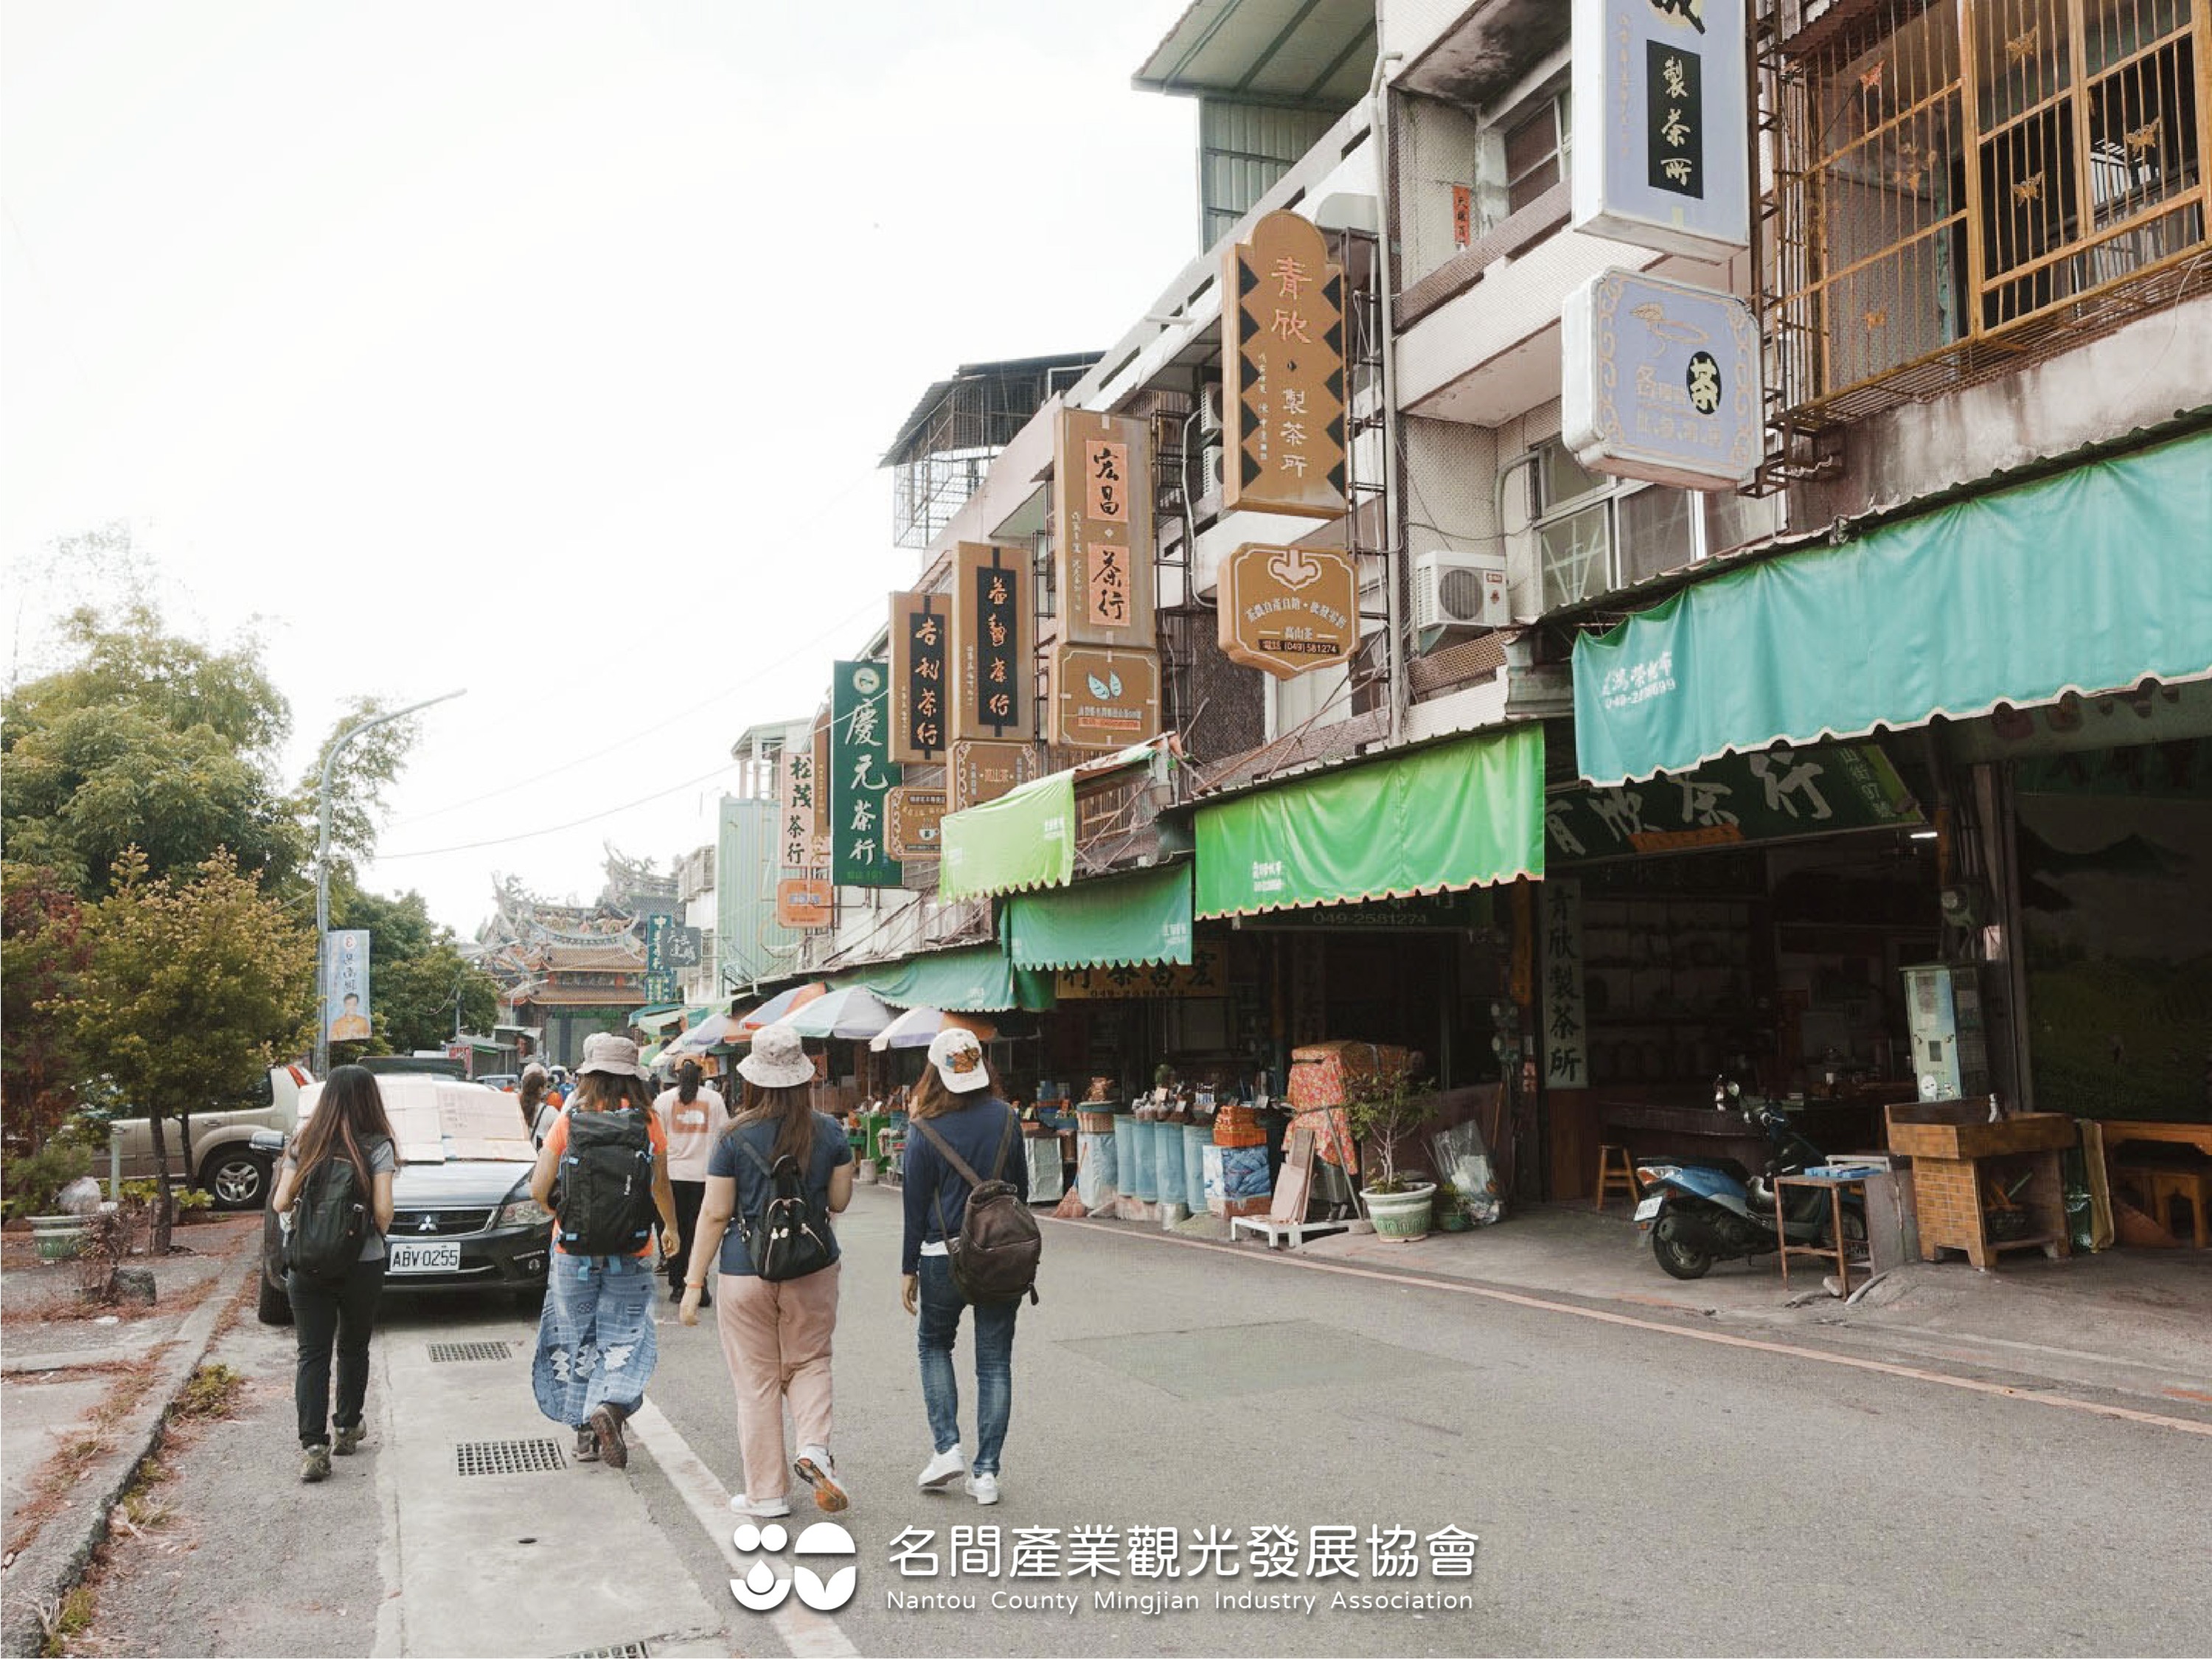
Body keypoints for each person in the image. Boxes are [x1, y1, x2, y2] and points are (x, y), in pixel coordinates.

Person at [681, 1024, 853, 1517]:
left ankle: (767, 1495)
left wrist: (694, 1283)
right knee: (810, 1361)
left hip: (743, 1269)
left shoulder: (734, 1136)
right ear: (804, 1079)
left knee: (755, 1383)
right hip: (814, 1267)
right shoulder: (831, 1131)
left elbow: (715, 1213)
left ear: (754, 1079)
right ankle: (814, 1449)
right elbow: (839, 1200)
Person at [529, 1032, 680, 1470]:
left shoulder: (570, 1118)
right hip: (631, 1249)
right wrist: (670, 1227)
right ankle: (611, 1407)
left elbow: (540, 1187)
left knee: (578, 1337)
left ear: (588, 1074)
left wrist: (563, 1213)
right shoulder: (648, 1120)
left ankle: (582, 1432)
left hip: (573, 1251)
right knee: (626, 1336)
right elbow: (661, 1185)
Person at [901, 1027, 1026, 1506]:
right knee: (994, 1363)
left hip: (941, 1256)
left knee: (934, 1344)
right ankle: (987, 1474)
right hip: (1000, 1254)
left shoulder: (924, 1127)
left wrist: (907, 1269)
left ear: (933, 1073)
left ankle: (947, 1447)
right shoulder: (1007, 1119)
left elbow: (914, 1209)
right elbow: (1020, 1191)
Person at [271, 1065, 397, 1484]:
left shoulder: (305, 1142)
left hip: (307, 1264)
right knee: (353, 1345)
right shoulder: (378, 1146)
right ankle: (346, 1427)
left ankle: (313, 1448)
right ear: (369, 1100)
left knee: (312, 1353)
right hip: (362, 1262)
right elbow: (382, 1213)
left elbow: (279, 1203)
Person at [654, 1060, 730, 1306]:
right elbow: (725, 1136)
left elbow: (656, 1141)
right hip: (705, 1177)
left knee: (674, 1231)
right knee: (701, 1232)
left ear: (675, 1074)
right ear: (701, 1073)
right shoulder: (715, 1100)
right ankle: (700, 1282)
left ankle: (678, 1286)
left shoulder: (663, 1101)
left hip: (671, 1178)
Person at [518, 1063, 563, 1150]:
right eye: (545, 1087)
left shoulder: (516, 1108)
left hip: (520, 1155)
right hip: (539, 1156)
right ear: (540, 1089)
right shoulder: (550, 1112)